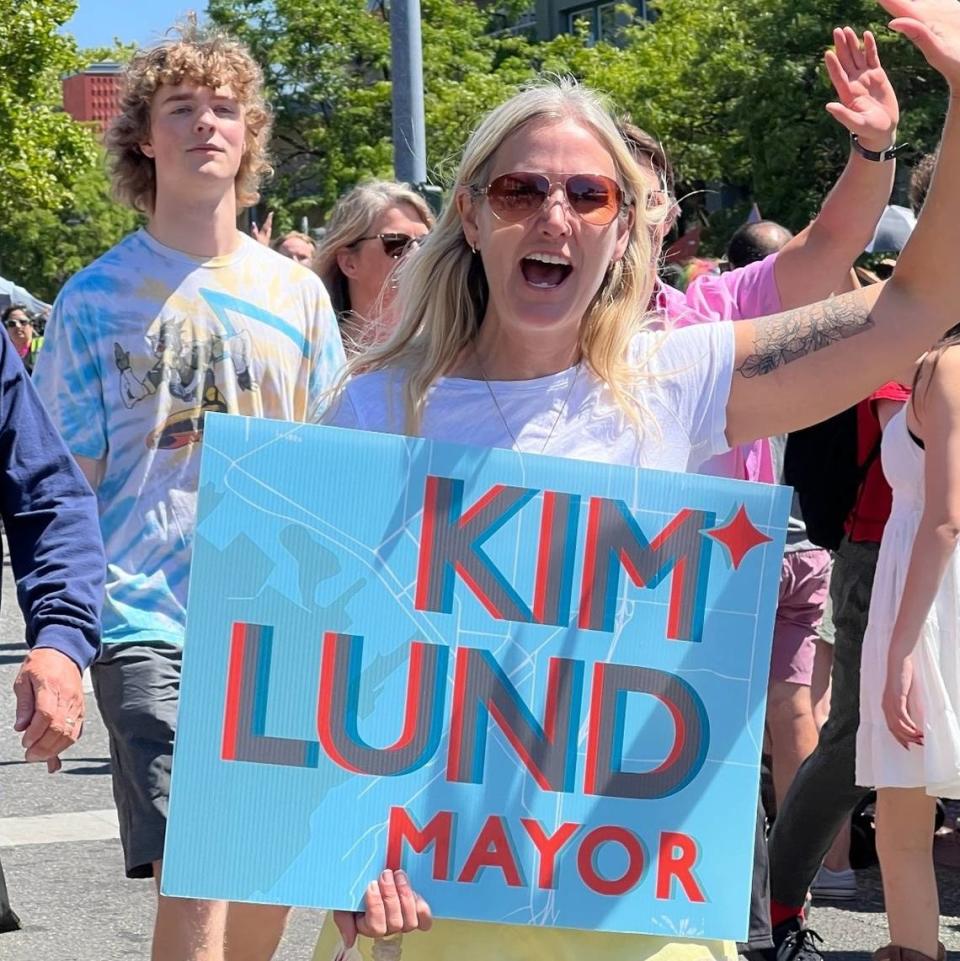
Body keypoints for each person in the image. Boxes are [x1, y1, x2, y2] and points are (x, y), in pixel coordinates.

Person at [317, 5, 960, 961]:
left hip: (632, 906)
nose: (554, 213)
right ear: (470, 211)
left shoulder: (679, 381)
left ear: (625, 229)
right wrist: (334, 854)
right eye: (521, 187)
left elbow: (916, 304)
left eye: (589, 193)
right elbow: (311, 655)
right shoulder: (374, 411)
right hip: (437, 900)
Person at [33, 24, 345, 961]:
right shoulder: (94, 300)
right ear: (144, 139)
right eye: (182, 108)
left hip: (283, 618)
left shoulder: (298, 297)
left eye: (225, 108)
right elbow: (63, 487)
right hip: (147, 620)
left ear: (249, 135)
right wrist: (61, 639)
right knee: (200, 864)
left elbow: (333, 465)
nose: (207, 123)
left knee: (271, 869)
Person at [764, 146, 938, 959]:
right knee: (863, 742)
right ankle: (783, 903)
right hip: (885, 548)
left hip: (918, 550)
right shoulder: (897, 310)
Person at [855, 322, 960, 961]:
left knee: (904, 805)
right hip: (927, 585)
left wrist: (899, 647)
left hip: (933, 595)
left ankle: (916, 949)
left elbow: (945, 520)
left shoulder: (946, 367)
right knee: (902, 804)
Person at [314, 181, 434, 350]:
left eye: (425, 242)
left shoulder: (452, 353)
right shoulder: (319, 354)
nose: (416, 253)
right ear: (349, 263)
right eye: (397, 243)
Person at [1, 305, 44, 373]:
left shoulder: (44, 345)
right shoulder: (3, 353)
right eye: (12, 323)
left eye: (23, 322)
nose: (18, 326)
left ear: (31, 325)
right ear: (6, 329)